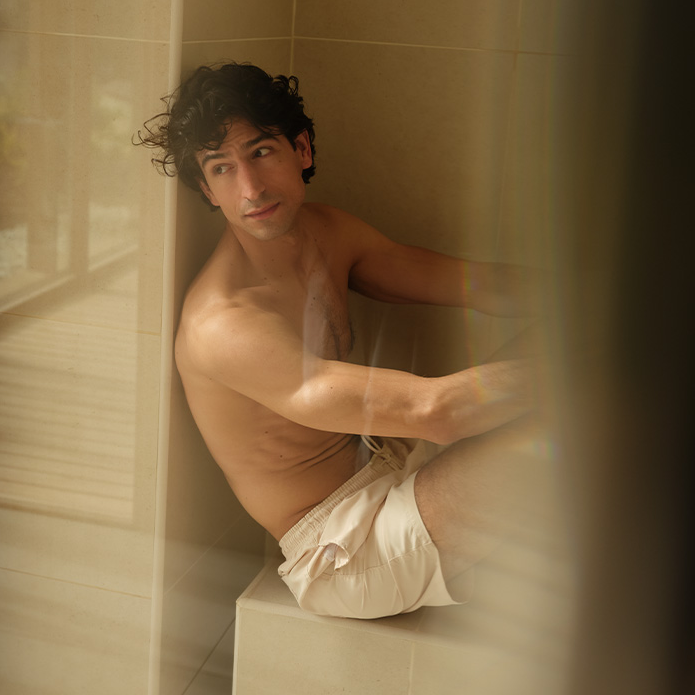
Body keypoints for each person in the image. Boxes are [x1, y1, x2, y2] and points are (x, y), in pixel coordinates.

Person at [139, 62, 545, 619]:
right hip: (343, 551)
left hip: (393, 466)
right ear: (207, 190)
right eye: (222, 168)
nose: (251, 187)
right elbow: (437, 412)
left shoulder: (329, 233)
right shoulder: (225, 323)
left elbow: (485, 286)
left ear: (300, 149)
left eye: (260, 152)